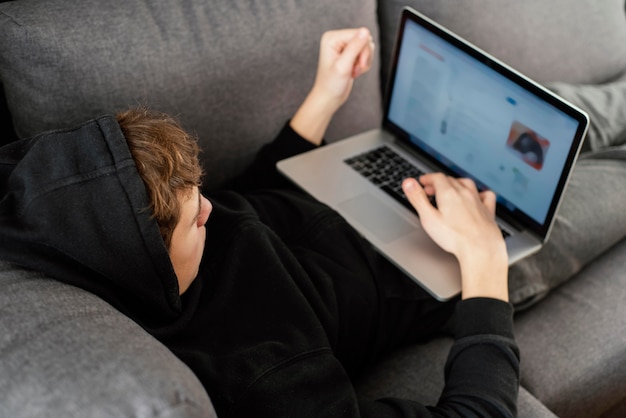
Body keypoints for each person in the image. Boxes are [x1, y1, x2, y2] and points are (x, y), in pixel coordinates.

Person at [0, 28, 519, 416]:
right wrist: (485, 261)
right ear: (149, 270)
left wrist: (323, 100)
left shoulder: (59, 214)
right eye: (193, 220)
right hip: (442, 265)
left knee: (575, 109)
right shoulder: (261, 376)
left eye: (199, 192)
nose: (210, 209)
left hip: (344, 194)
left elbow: (242, 204)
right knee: (553, 181)